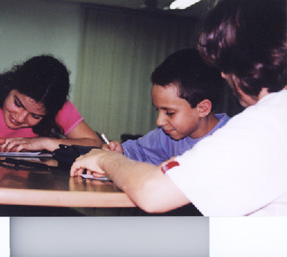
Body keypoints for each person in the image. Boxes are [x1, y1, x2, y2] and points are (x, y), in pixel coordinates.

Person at [70, 0, 287, 216]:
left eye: (226, 63)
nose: (223, 74)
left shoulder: (268, 122)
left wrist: (106, 159)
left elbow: (153, 193)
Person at [0, 55, 102, 153]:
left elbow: (94, 143)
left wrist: (44, 142)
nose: (20, 118)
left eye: (35, 116)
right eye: (18, 103)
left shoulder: (55, 105)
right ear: (10, 85)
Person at [104, 49, 229, 165]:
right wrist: (121, 152)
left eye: (169, 112)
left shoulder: (232, 139)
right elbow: (139, 150)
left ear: (202, 109)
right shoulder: (166, 136)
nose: (159, 121)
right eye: (157, 110)